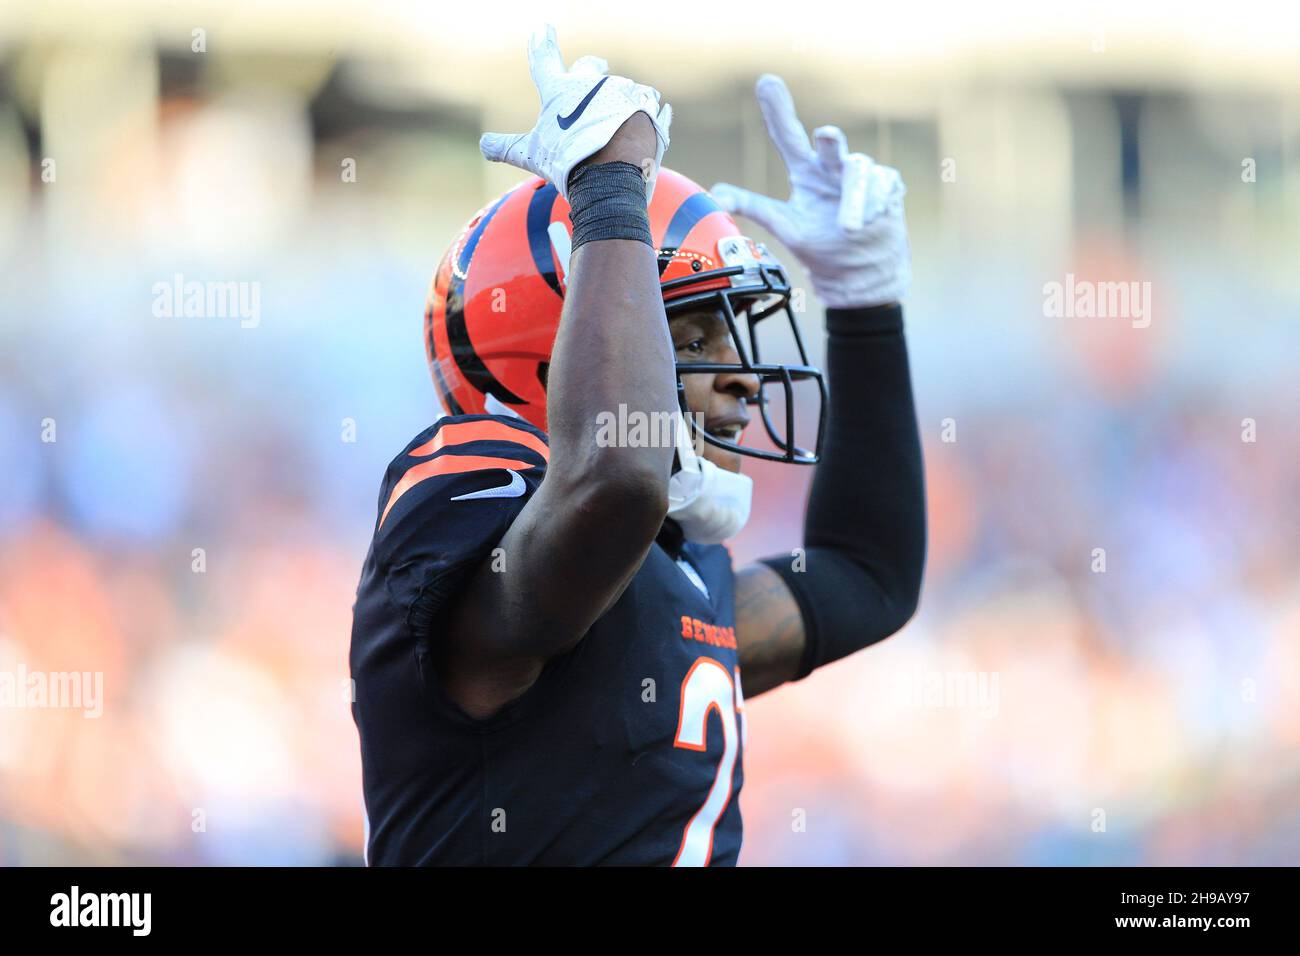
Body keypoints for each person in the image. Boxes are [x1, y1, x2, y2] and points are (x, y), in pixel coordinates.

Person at [350, 24, 925, 865]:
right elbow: (614, 482)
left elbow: (869, 578)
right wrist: (610, 192)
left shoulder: (678, 573)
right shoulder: (464, 484)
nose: (745, 382)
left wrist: (866, 307)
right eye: (690, 338)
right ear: (557, 354)